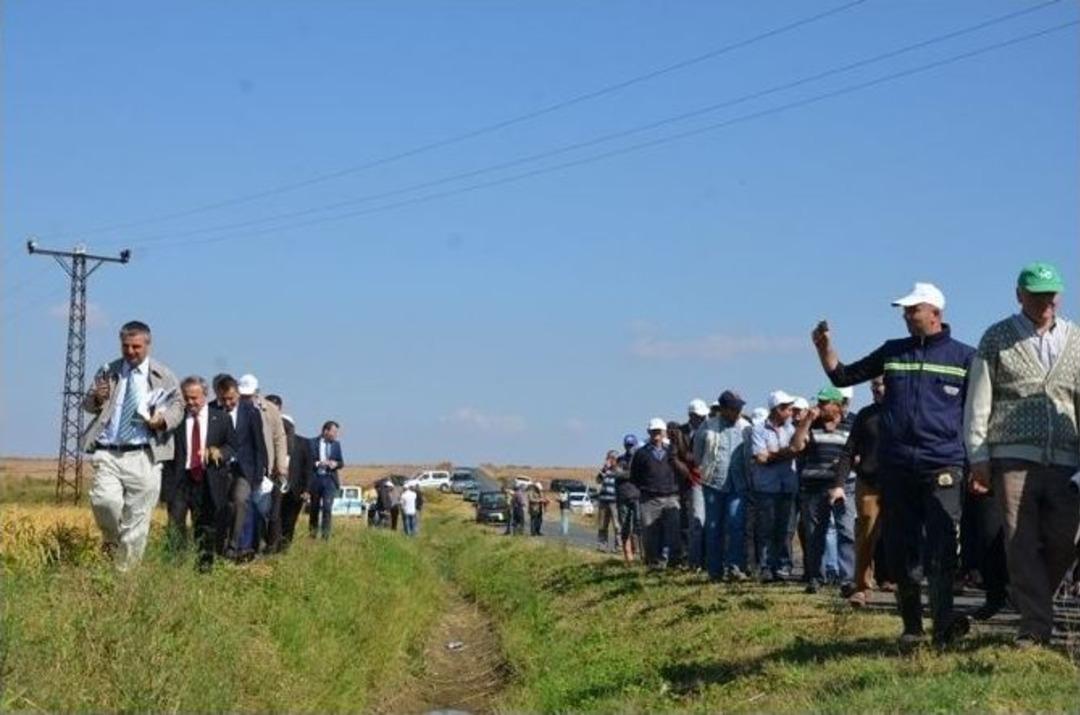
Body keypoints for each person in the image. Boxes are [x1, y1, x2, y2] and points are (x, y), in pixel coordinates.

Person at [813, 281, 974, 647]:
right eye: (904, 310)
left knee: (943, 544)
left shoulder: (966, 358)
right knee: (902, 548)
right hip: (897, 466)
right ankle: (913, 628)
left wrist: (980, 462)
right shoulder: (892, 352)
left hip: (945, 463)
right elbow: (843, 376)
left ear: (935, 313)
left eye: (912, 309)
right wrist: (825, 350)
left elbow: (980, 411)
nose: (906, 315)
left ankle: (944, 625)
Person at [965, 262, 1080, 647]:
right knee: (1020, 541)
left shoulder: (1076, 339)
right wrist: (978, 454)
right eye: (1036, 294)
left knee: (1066, 540)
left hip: (1066, 460)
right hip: (1012, 455)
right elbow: (978, 400)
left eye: (1051, 294)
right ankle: (1034, 628)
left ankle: (1031, 598)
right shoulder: (997, 337)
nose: (1046, 302)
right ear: (1020, 295)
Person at [83, 321, 184, 570]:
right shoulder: (108, 370)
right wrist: (97, 398)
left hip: (144, 454)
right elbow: (88, 405)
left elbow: (178, 407)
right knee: (104, 502)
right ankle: (111, 539)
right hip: (109, 449)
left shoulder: (164, 375)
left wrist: (162, 422)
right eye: (126, 346)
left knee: (137, 521)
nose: (130, 352)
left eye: (136, 347)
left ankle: (124, 576)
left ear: (147, 345)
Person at [163, 376, 235, 570]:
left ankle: (203, 567)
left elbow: (231, 446)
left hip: (207, 479)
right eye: (186, 398)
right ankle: (174, 566)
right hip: (180, 479)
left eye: (194, 398)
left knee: (204, 526)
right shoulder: (176, 419)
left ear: (205, 395)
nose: (190, 402)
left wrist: (218, 452)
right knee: (175, 523)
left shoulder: (221, 419)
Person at [791, 386, 855, 595]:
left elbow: (859, 452)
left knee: (846, 531)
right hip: (814, 486)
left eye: (824, 402)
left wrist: (849, 462)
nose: (820, 406)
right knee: (815, 533)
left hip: (843, 485)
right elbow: (797, 446)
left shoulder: (851, 424)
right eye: (819, 402)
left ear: (837, 405)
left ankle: (847, 579)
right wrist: (806, 421)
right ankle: (816, 576)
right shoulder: (811, 425)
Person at [836, 377, 892, 607]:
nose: (877, 390)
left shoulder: (906, 411)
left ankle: (895, 580)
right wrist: (839, 484)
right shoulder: (865, 415)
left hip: (899, 483)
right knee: (867, 532)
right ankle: (862, 587)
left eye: (880, 386)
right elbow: (849, 451)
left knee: (898, 535)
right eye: (873, 387)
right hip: (869, 482)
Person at [694, 390, 752, 582]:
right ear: (724, 409)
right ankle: (714, 570)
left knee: (736, 525)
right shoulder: (708, 426)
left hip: (738, 483)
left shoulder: (746, 427)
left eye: (740, 408)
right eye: (734, 408)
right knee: (713, 526)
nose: (738, 411)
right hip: (714, 483)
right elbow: (697, 453)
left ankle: (734, 567)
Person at [214, 375, 267, 561]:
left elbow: (259, 444)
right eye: (224, 399)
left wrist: (260, 472)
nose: (228, 403)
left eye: (231, 398)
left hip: (243, 469)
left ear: (237, 393)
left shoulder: (250, 412)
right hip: (219, 469)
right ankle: (217, 545)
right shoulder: (212, 410)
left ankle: (234, 545)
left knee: (240, 500)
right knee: (220, 507)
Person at [750, 391, 799, 582]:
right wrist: (786, 453)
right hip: (767, 487)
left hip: (787, 485)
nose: (790, 412)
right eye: (786, 408)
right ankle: (766, 566)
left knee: (785, 528)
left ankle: (783, 565)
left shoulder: (791, 429)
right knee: (766, 528)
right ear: (777, 409)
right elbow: (761, 458)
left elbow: (798, 449)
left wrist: (775, 454)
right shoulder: (759, 429)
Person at [630, 418, 681, 569]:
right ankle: (654, 562)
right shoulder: (641, 453)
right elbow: (635, 476)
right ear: (649, 433)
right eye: (653, 432)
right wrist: (646, 488)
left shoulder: (672, 450)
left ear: (664, 432)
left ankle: (674, 561)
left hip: (671, 495)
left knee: (673, 531)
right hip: (650, 498)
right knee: (650, 532)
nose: (656, 435)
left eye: (659, 431)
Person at [279, 416, 313, 549]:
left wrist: (306, 490)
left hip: (295, 490)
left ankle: (285, 547)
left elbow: (308, 469)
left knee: (290, 521)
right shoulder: (273, 442)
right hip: (276, 488)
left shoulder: (303, 443)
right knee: (276, 519)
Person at [309, 420, 344, 539]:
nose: (335, 435)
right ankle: (312, 535)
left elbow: (341, 462)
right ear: (325, 431)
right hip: (316, 479)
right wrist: (319, 463)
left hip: (330, 479)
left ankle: (325, 536)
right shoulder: (312, 443)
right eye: (334, 432)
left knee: (327, 508)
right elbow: (308, 461)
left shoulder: (336, 445)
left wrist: (335, 464)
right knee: (314, 508)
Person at [616, 435, 641, 563]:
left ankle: (640, 554)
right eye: (627, 445)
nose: (629, 447)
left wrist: (628, 473)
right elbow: (618, 473)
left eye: (631, 445)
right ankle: (628, 556)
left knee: (639, 525)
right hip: (623, 496)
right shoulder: (620, 459)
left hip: (638, 496)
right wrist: (631, 473)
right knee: (625, 526)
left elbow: (641, 474)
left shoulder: (640, 458)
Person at [595, 450, 621, 552]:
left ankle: (618, 546)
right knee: (602, 525)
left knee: (617, 525)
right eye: (608, 458)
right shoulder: (605, 470)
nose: (609, 460)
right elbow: (598, 480)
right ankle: (602, 545)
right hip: (604, 501)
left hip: (615, 501)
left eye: (611, 458)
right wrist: (604, 469)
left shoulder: (619, 470)